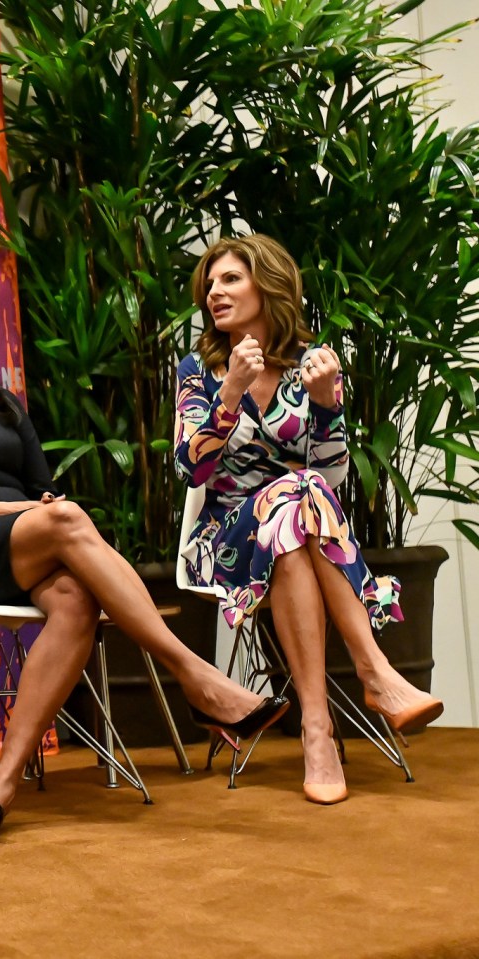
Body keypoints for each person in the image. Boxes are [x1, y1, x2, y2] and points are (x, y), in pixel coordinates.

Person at [0, 276, 289, 840]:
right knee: (63, 521)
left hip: (20, 546)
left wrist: (33, 508)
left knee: (75, 595)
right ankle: (195, 676)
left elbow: (40, 487)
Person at [175, 234, 443, 804]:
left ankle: (316, 729)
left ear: (267, 285)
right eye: (210, 284)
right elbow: (191, 469)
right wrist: (230, 393)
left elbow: (334, 475)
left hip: (301, 533)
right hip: (222, 540)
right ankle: (375, 672)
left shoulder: (311, 362)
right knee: (295, 493)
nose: (213, 293)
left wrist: (325, 408)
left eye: (229, 280)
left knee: (298, 507)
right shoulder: (201, 367)